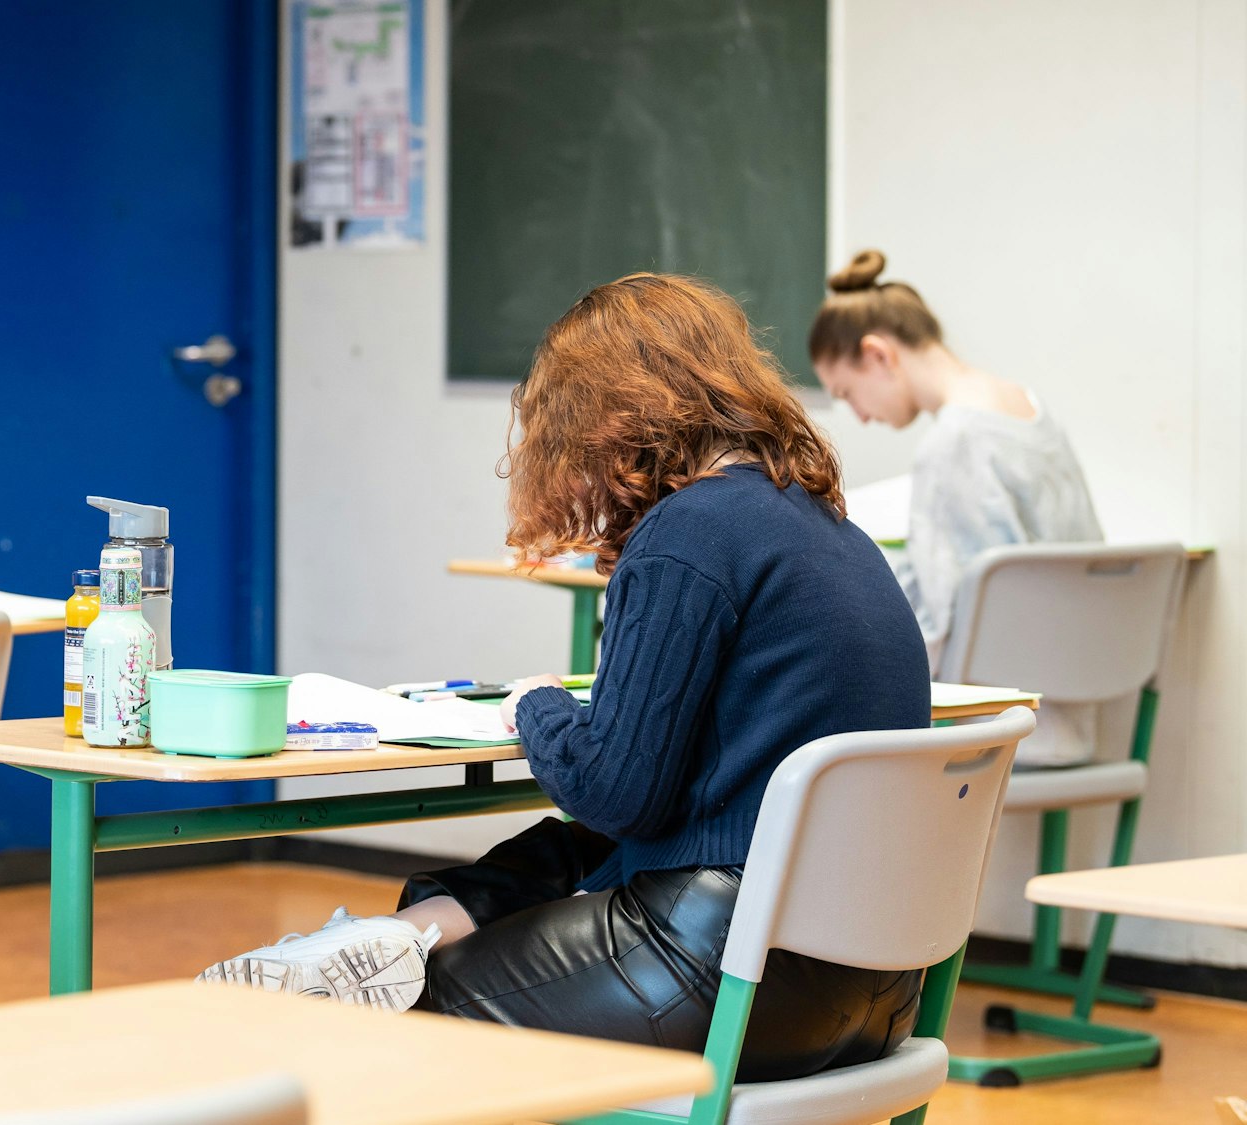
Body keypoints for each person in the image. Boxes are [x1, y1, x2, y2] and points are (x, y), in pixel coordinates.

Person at [200, 274, 933, 1083]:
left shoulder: (688, 532)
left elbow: (618, 792)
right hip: (878, 986)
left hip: (728, 974)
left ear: (615, 415)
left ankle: (399, 952)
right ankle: (417, 924)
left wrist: (539, 705)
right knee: (560, 852)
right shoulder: (829, 525)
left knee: (399, 1006)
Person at [811, 249, 1103, 765]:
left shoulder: (955, 443)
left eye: (847, 392)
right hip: (1074, 710)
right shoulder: (1029, 408)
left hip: (1001, 724)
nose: (859, 415)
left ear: (878, 355)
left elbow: (943, 628)